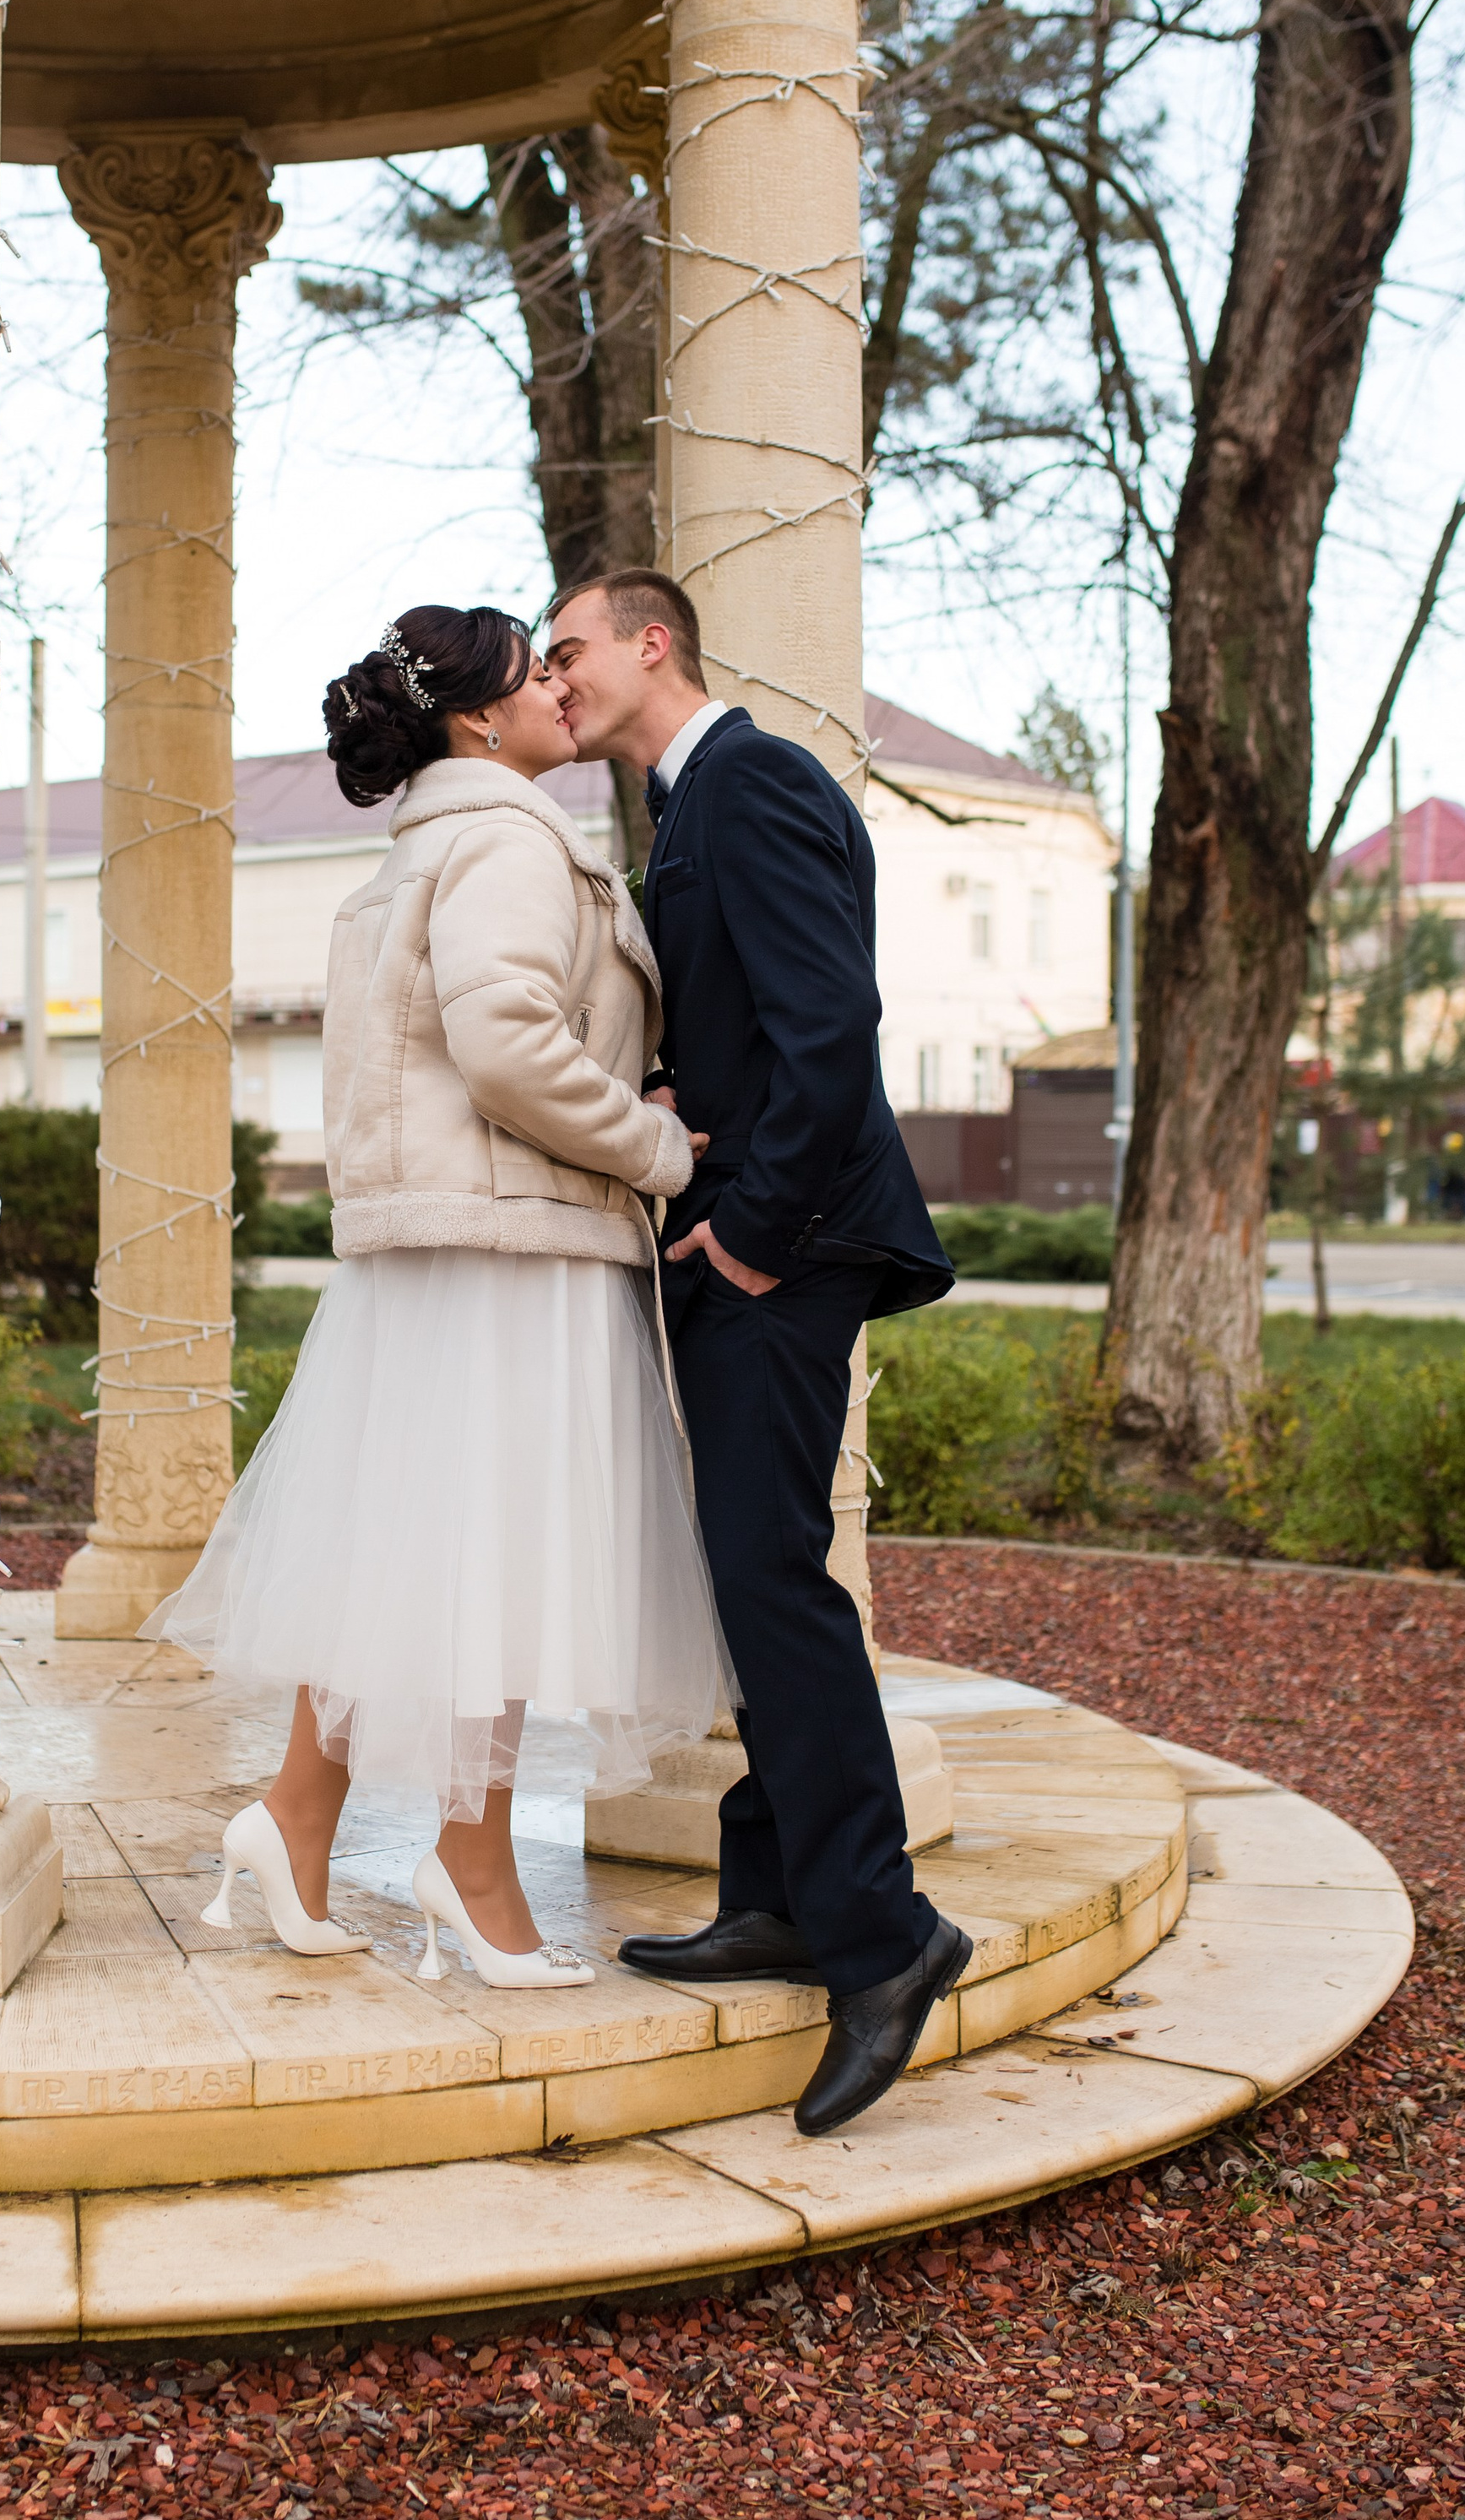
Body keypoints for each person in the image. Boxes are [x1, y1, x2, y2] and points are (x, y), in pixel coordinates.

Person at [149, 603, 729, 1989]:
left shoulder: (415, 853)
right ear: (479, 717)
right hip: (512, 1249)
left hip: (437, 1254)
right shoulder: (512, 844)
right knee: (499, 1558)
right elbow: (507, 1041)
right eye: (537, 674)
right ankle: (469, 1868)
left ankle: (296, 1822)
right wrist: (653, 1146)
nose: (559, 690)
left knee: (406, 1550)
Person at [545, 566, 966, 2134]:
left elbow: (827, 1024)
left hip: (785, 1249)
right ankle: (781, 1893)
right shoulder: (684, 804)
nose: (560, 677)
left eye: (574, 649)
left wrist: (754, 1232)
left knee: (771, 1579)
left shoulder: (759, 778)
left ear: (655, 642)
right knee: (762, 1573)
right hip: (747, 1234)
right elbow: (739, 1028)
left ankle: (885, 1940)